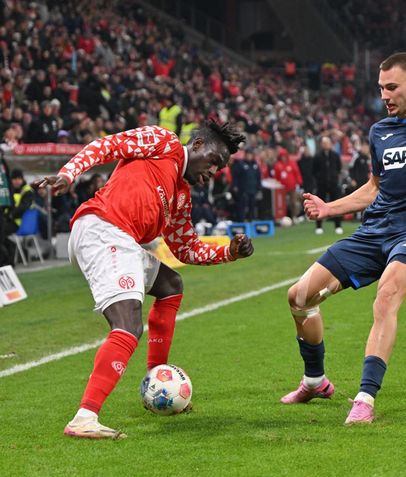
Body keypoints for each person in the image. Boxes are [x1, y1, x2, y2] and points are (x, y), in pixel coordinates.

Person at [280, 52, 406, 424]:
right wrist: (329, 208)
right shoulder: (380, 131)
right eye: (380, 88)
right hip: (374, 231)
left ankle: (365, 398)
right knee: (299, 296)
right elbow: (374, 187)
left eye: (391, 87)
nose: (384, 96)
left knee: (386, 296)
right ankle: (315, 381)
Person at [34, 120, 254, 439]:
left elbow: (186, 248)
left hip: (120, 239)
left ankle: (156, 380)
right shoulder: (163, 142)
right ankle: (84, 417)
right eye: (213, 161)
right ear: (197, 145)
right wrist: (69, 173)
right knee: (128, 324)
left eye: (219, 169)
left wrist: (229, 252)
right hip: (103, 229)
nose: (213, 172)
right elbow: (106, 145)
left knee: (170, 286)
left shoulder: (181, 196)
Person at [312, 136, 344, 235]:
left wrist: (334, 177)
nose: (326, 145)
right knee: (318, 204)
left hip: (333, 183)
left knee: (336, 204)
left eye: (327, 143)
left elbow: (339, 168)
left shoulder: (335, 155)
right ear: (321, 144)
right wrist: (319, 179)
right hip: (321, 184)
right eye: (324, 143)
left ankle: (338, 226)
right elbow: (314, 170)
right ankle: (319, 226)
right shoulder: (317, 156)